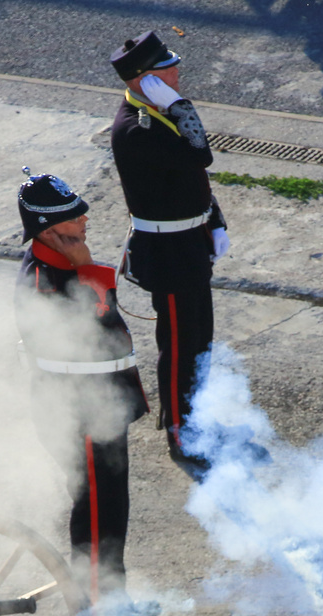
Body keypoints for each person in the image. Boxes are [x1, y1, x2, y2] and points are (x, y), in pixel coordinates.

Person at [13, 167, 156, 616]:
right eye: (74, 219)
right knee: (97, 510)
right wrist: (85, 265)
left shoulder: (62, 266)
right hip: (79, 411)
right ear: (50, 230)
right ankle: (96, 603)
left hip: (101, 405)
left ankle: (111, 593)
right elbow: (96, 321)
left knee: (113, 504)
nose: (84, 221)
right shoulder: (44, 281)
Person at [109, 30, 229, 472]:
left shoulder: (153, 113)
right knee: (179, 345)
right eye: (167, 69)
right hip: (168, 250)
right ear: (145, 81)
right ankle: (180, 429)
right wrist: (179, 106)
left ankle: (197, 414)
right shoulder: (135, 129)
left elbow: (191, 182)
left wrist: (213, 219)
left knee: (201, 337)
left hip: (190, 241)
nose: (177, 73)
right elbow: (200, 156)